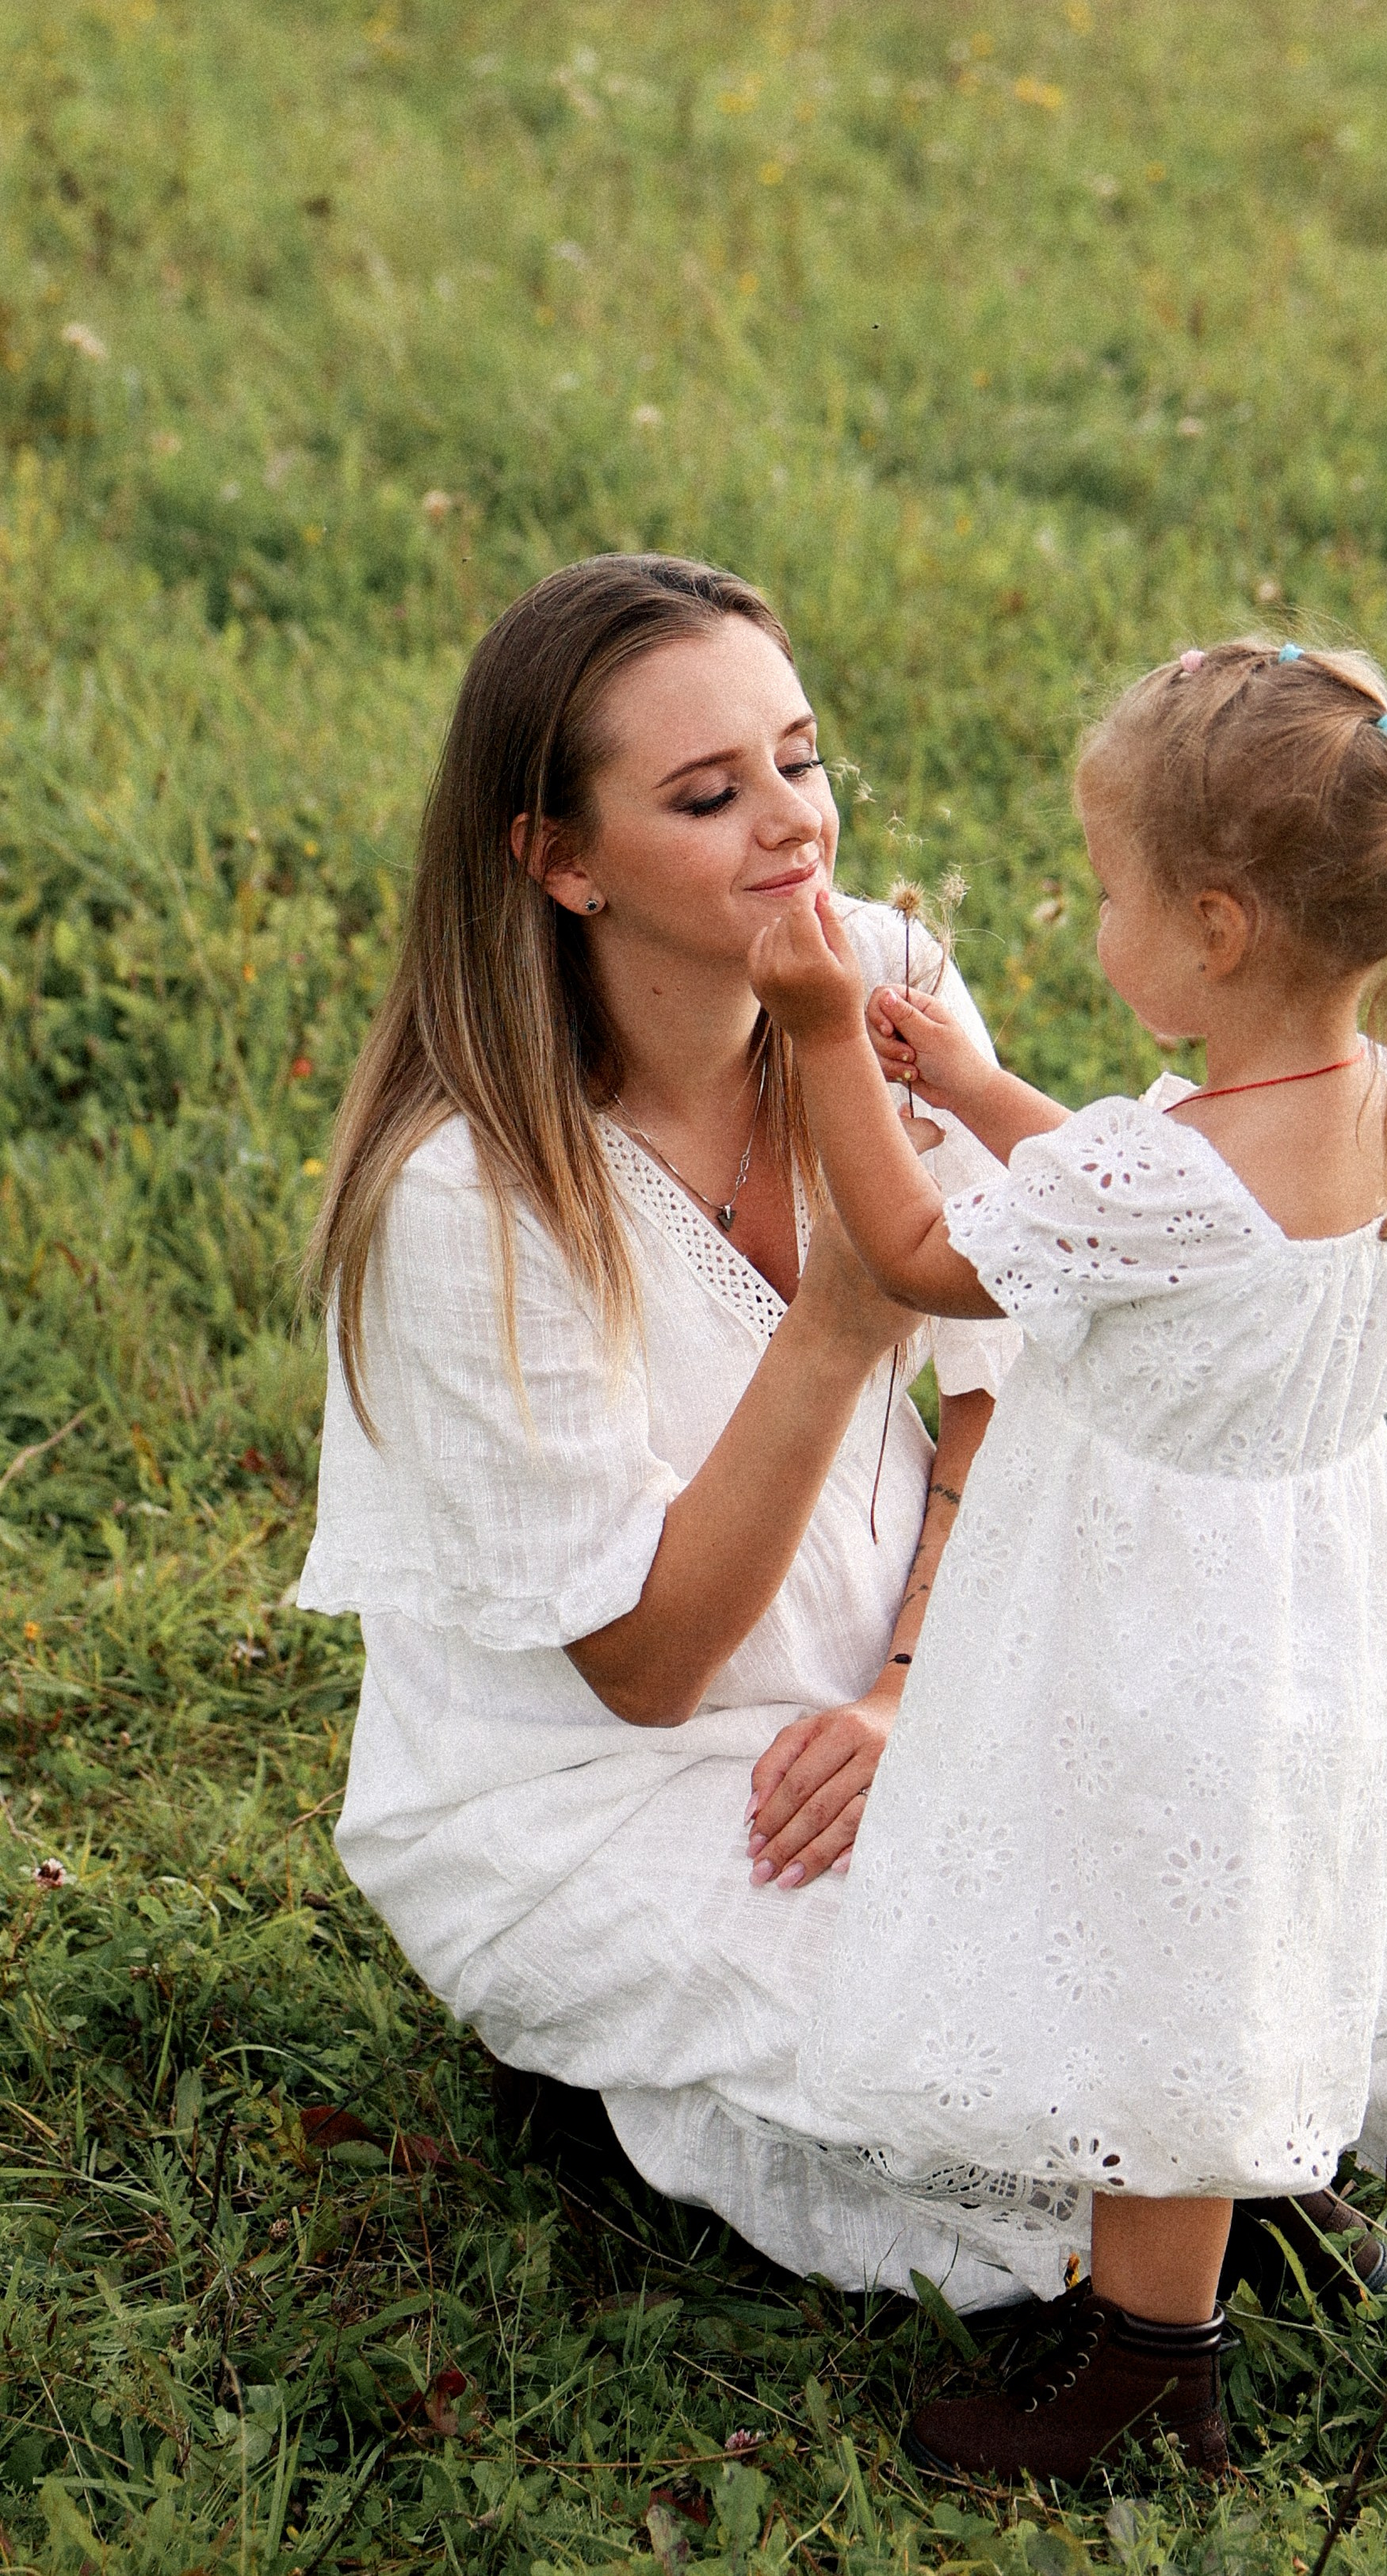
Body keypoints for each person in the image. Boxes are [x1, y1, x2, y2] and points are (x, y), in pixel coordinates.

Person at [749, 638, 1387, 2480]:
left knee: (1146, 1977)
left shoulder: (1164, 1167)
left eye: (1110, 896)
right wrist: (981, 1086)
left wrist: (821, 1038)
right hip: (1284, 1622)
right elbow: (1153, 1217)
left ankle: (1151, 2371)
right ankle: (1210, 2263)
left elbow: (918, 1258)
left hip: (1140, 1634)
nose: (1095, 926)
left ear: (1215, 929)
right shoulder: (1376, 1092)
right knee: (1216, 1950)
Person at [296, 552, 1057, 2308]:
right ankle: (609, 2059)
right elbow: (640, 1668)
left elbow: (1006, 1381)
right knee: (990, 2024)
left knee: (1291, 1731)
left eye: (801, 758)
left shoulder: (882, 983)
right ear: (561, 862)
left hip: (899, 1662)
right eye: (709, 797)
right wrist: (839, 1319)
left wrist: (913, 1690)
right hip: (602, 1781)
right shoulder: (466, 1197)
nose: (794, 824)